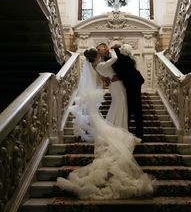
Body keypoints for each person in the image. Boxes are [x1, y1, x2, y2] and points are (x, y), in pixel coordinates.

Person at [56, 47, 155, 200]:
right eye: (98, 53)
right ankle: (120, 128)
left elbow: (112, 67)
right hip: (116, 88)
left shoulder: (98, 66)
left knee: (119, 107)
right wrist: (115, 50)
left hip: (117, 86)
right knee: (120, 106)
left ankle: (119, 126)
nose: (100, 54)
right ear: (95, 57)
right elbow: (114, 60)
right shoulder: (100, 66)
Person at [98, 43, 145, 140]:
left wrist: (119, 77)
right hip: (125, 84)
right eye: (98, 50)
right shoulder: (106, 59)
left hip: (133, 81)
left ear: (105, 48)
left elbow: (129, 64)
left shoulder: (116, 52)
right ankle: (125, 131)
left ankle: (140, 135)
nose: (99, 51)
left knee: (136, 108)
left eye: (100, 49)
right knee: (128, 107)